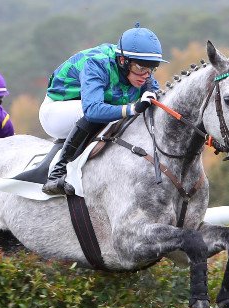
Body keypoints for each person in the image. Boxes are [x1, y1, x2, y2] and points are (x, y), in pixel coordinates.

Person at [39, 23, 168, 195]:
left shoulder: (141, 71)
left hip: (89, 107)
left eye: (151, 68)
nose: (146, 75)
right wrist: (133, 108)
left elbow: (155, 95)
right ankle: (56, 173)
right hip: (57, 111)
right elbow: (92, 110)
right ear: (123, 61)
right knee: (99, 113)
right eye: (140, 68)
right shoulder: (97, 63)